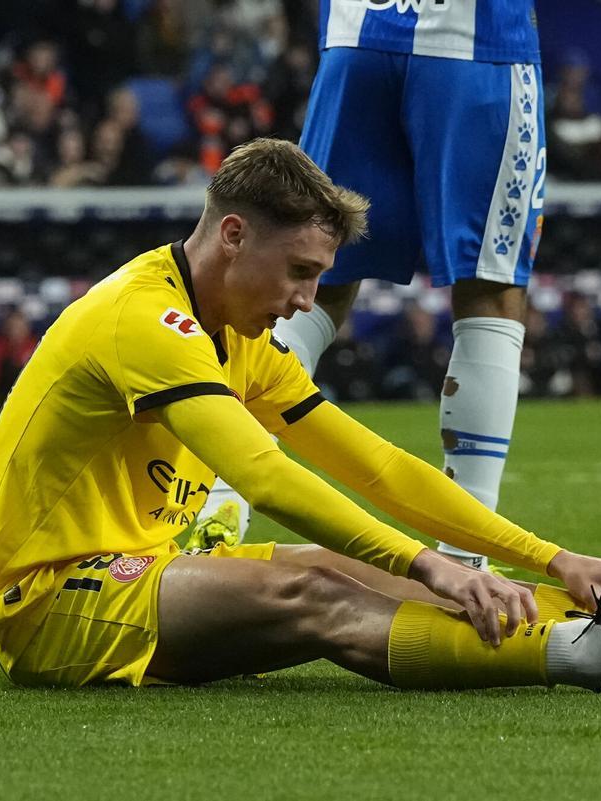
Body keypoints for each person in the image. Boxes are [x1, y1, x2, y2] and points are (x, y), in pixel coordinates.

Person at [0, 139, 601, 692]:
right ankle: (588, 656)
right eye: (299, 271)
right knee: (314, 586)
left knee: (350, 571)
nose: (308, 300)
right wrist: (431, 564)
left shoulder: (236, 334)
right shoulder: (144, 320)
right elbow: (265, 476)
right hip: (51, 599)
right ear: (232, 234)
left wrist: (551, 557)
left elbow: (376, 466)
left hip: (149, 569)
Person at [198, 1, 548, 571]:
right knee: (490, 291)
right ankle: (466, 557)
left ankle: (218, 503)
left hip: (356, 37)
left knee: (320, 278)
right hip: (475, 42)